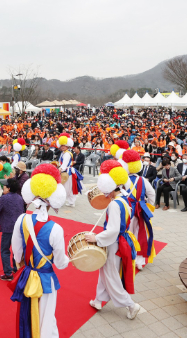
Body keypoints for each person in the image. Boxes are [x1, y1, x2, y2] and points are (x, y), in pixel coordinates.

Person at [11, 164, 69, 338]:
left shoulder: (22, 219)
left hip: (27, 276)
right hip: (45, 280)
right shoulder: (56, 228)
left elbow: (17, 252)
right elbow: (60, 263)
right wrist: (70, 259)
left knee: (28, 313)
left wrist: (24, 264)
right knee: (47, 317)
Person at [87, 160, 141, 319]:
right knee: (105, 271)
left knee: (110, 275)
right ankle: (98, 300)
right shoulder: (124, 200)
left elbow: (113, 230)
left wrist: (95, 237)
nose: (104, 195)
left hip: (114, 242)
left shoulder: (114, 205)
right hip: (120, 240)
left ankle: (131, 305)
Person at [121, 150, 156, 269]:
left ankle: (126, 256)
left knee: (125, 234)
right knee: (140, 234)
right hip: (140, 211)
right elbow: (152, 194)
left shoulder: (121, 180)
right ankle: (139, 261)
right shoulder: (142, 180)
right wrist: (149, 208)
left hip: (125, 210)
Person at [0, 178, 25, 281]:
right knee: (16, 250)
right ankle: (16, 268)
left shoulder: (4, 198)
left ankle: (8, 273)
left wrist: (2, 196)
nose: (3, 187)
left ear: (8, 188)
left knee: (5, 250)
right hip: (18, 228)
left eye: (5, 186)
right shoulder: (19, 198)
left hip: (8, 228)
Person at [57, 132, 84, 207]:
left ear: (68, 146)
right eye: (61, 145)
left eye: (64, 145)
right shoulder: (63, 153)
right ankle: (70, 201)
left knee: (68, 188)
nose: (63, 147)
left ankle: (70, 201)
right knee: (67, 187)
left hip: (67, 172)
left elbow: (64, 165)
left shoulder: (67, 154)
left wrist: (59, 170)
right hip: (65, 171)